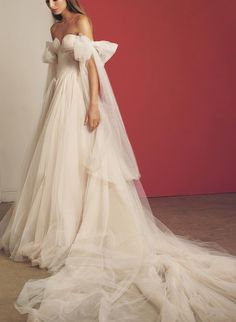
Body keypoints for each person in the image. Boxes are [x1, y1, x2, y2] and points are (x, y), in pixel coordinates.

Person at [0, 0, 236, 321]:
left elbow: (93, 64)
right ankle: (53, 230)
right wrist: (50, 103)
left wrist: (94, 104)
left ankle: (82, 227)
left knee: (81, 160)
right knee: (56, 166)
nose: (52, 3)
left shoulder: (82, 21)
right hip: (59, 97)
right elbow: (57, 69)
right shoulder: (54, 28)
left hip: (79, 96)